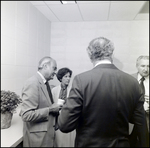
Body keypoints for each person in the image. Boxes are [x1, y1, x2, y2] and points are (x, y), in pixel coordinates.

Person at [57, 37, 149, 147]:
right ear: (112, 54)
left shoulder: (81, 80)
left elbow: (65, 125)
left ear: (90, 55)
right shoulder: (132, 82)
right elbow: (141, 124)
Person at [19, 56, 62, 147]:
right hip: (38, 139)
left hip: (47, 136)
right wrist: (50, 109)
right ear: (45, 66)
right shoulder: (32, 83)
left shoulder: (45, 83)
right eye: (54, 68)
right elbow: (26, 115)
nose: (55, 72)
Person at [52, 67, 76, 147]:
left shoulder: (73, 91)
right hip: (57, 122)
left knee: (69, 144)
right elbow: (51, 106)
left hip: (69, 122)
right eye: (66, 76)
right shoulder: (54, 90)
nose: (68, 79)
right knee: (58, 143)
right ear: (60, 78)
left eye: (69, 76)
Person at [129, 55, 149, 147]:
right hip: (131, 122)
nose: (146, 69)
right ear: (137, 66)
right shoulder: (128, 79)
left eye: (148, 66)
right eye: (143, 66)